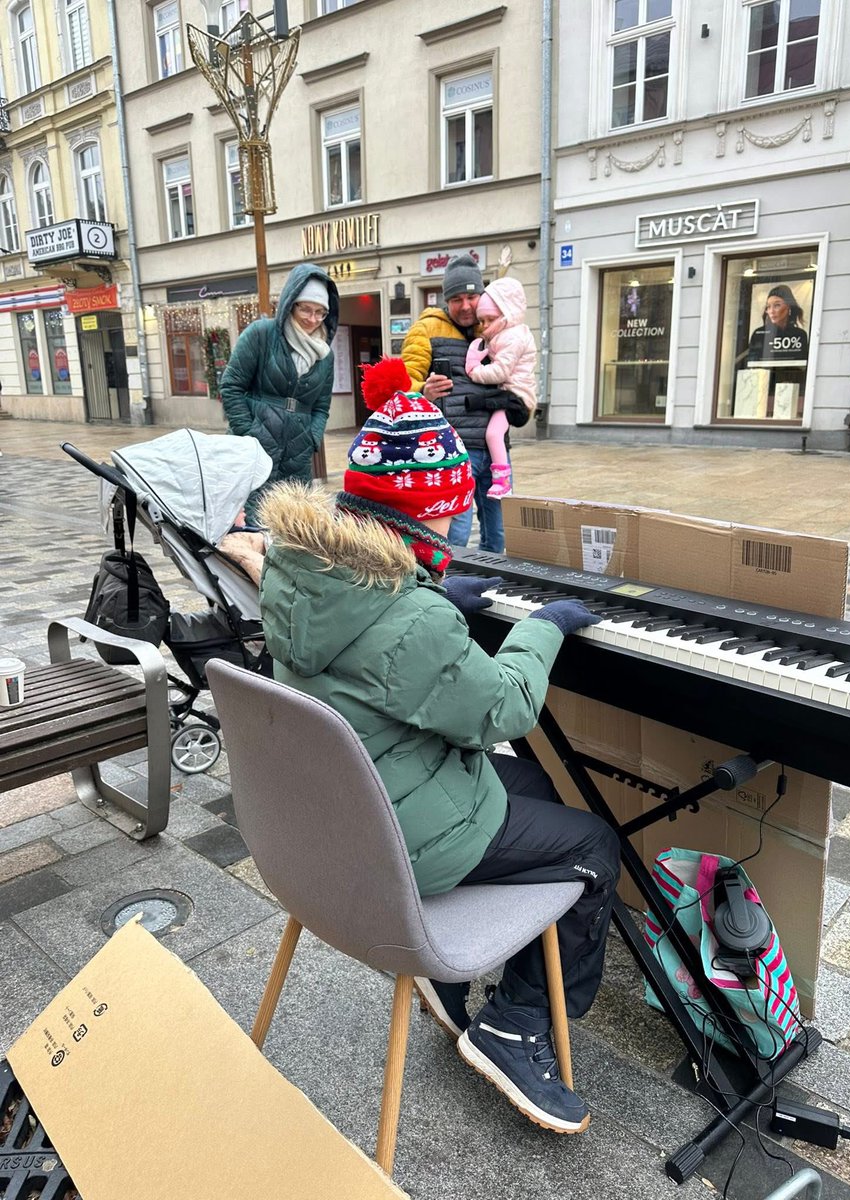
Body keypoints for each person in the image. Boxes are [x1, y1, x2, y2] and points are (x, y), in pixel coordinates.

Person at [257, 357, 620, 1136]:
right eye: (450, 518)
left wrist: (425, 591)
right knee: (594, 841)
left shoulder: (296, 570)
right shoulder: (411, 623)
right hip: (401, 843)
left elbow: (372, 647)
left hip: (336, 817)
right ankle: (517, 1025)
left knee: (537, 793)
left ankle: (479, 974)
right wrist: (541, 625)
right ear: (425, 523)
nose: (460, 530)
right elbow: (508, 707)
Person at [401, 253, 529, 553]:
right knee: (453, 538)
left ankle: (488, 590)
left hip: (497, 451)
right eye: (456, 298)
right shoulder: (427, 329)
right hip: (453, 451)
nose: (466, 305)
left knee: (499, 534)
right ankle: (451, 593)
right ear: (446, 300)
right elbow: (402, 383)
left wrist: (521, 405)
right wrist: (424, 391)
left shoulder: (496, 328)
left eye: (471, 296)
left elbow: (519, 374)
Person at [220, 263, 339, 521]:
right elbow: (231, 386)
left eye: (320, 312)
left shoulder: (324, 354)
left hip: (298, 453)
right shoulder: (261, 334)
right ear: (291, 303)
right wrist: (249, 433)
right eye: (306, 309)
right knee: (252, 523)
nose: (312, 319)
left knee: (293, 529)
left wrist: (311, 438)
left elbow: (321, 406)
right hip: (254, 449)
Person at [464, 276, 537, 499]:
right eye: (481, 321)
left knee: (494, 433)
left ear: (507, 313)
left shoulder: (512, 337)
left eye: (490, 319)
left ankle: (502, 481)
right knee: (493, 432)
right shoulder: (506, 334)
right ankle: (501, 480)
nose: (484, 326)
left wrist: (473, 370)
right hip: (508, 393)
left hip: (516, 396)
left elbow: (501, 371)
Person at [746, 284, 809, 364]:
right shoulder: (759, 334)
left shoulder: (799, 335)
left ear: (788, 307)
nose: (771, 311)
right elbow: (752, 363)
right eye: (768, 307)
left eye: (777, 305)